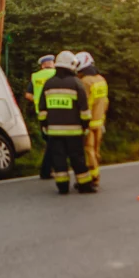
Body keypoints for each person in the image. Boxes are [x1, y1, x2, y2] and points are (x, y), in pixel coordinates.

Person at [38, 51, 95, 194]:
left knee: (59, 160)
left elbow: (42, 109)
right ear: (71, 65)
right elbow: (84, 109)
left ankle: (62, 187)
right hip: (74, 131)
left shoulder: (49, 84)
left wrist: (44, 127)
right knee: (78, 159)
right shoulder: (76, 83)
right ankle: (84, 186)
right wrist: (85, 126)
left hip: (54, 131)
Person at [75, 52, 108, 189]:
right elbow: (105, 101)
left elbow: (84, 104)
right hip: (99, 121)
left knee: (88, 151)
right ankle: (94, 174)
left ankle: (93, 178)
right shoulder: (101, 79)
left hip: (88, 122)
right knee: (95, 150)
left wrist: (81, 122)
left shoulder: (85, 82)